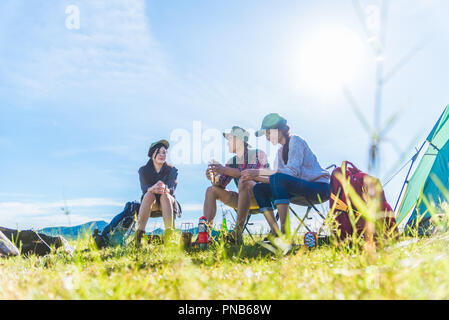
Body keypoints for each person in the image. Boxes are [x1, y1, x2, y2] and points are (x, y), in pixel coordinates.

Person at [241, 113, 330, 237]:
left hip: (318, 188)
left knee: (278, 178)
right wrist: (254, 177)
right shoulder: (279, 152)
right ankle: (275, 232)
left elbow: (291, 172)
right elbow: (276, 179)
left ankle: (285, 232)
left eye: (267, 133)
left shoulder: (296, 140)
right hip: (298, 189)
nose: (266, 137)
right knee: (259, 188)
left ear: (278, 130)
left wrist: (258, 172)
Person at [203, 126, 269, 244]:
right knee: (211, 190)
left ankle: (237, 233)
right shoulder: (231, 162)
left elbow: (252, 176)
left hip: (262, 196)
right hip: (243, 198)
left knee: (244, 182)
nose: (227, 143)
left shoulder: (257, 154)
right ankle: (205, 234)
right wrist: (213, 177)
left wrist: (224, 169)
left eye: (230, 139)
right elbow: (221, 185)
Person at [135, 139, 181, 247]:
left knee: (165, 196)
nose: (162, 155)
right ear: (152, 154)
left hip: (168, 203)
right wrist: (152, 188)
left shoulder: (172, 169)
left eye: (164, 152)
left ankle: (170, 235)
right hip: (152, 204)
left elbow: (172, 187)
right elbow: (144, 188)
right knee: (148, 194)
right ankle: (139, 237)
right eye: (158, 152)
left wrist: (165, 188)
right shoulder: (143, 170)